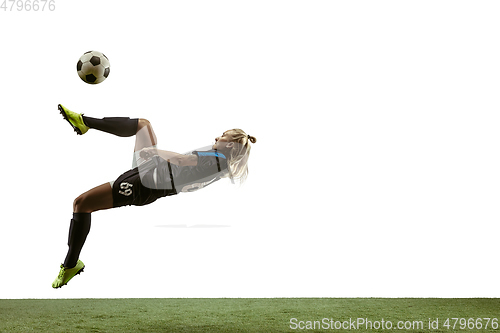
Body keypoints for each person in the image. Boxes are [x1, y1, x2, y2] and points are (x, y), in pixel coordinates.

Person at [52, 104, 256, 288]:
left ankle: (70, 264)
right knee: (143, 125)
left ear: (230, 145)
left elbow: (183, 160)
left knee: (81, 203)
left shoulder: (217, 160)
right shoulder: (219, 164)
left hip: (144, 185)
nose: (217, 137)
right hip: (150, 172)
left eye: (223, 136)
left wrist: (157, 154)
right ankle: (84, 121)